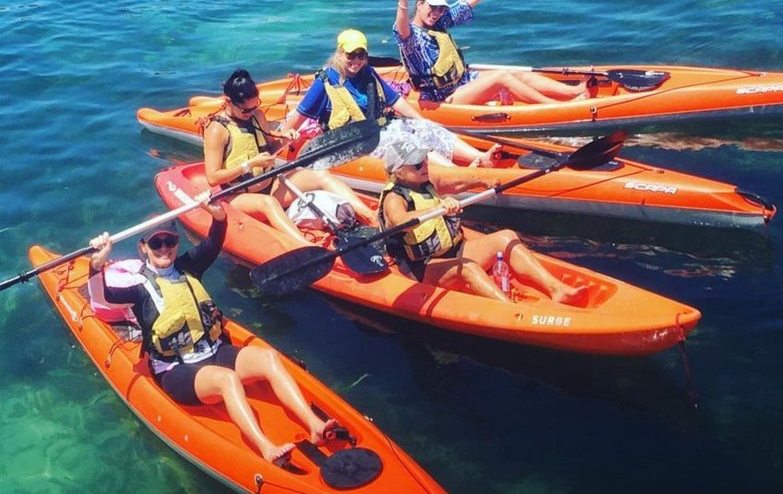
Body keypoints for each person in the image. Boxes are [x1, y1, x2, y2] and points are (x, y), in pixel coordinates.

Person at [87, 197, 337, 468]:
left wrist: (218, 215)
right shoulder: (138, 287)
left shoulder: (188, 266)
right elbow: (104, 296)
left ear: (176, 244)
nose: (164, 248)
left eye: (169, 242)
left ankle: (314, 425)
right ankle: (266, 448)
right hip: (176, 369)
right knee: (227, 380)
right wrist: (96, 264)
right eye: (155, 243)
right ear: (143, 248)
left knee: (268, 359)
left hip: (214, 350)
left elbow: (214, 241)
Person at [377, 140, 587, 304]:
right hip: (422, 267)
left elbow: (457, 182)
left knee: (506, 237)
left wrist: (481, 181)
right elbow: (399, 221)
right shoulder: (394, 199)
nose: (424, 165)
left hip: (453, 249)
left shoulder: (426, 181)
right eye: (416, 164)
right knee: (468, 268)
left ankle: (557, 289)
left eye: (424, 159)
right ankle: (509, 310)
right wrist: (437, 209)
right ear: (398, 172)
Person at [389, 0, 589, 105]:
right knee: (501, 77)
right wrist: (402, 0)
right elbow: (402, 29)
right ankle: (553, 106)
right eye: (433, 7)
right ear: (420, 4)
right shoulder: (411, 37)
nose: (437, 12)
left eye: (441, 9)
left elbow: (469, 0)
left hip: (462, 82)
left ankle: (572, 91)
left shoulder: (439, 22)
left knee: (515, 74)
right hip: (441, 98)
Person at [203, 69, 378, 244]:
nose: (251, 112)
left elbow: (272, 147)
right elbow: (213, 177)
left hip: (269, 182)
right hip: (238, 195)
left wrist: (287, 139)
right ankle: (305, 245)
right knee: (268, 203)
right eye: (245, 110)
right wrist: (248, 165)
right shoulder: (217, 129)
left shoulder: (257, 115)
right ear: (228, 101)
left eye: (255, 106)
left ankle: (370, 218)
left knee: (320, 174)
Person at [282, 29, 500, 168]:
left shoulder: (368, 74)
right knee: (407, 142)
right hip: (347, 143)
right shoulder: (325, 82)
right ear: (340, 53)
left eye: (361, 55)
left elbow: (396, 100)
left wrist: (421, 121)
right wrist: (284, 135)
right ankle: (454, 173)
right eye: (351, 55)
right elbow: (299, 115)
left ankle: (478, 158)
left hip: (376, 131)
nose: (356, 61)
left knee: (428, 128)